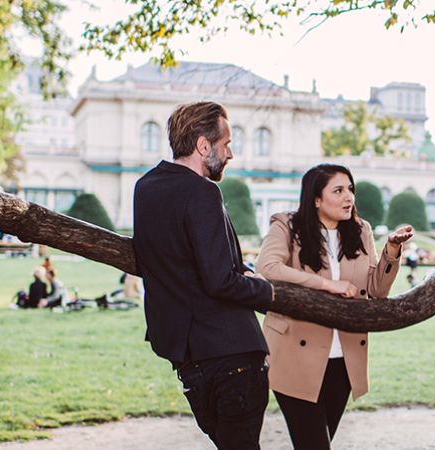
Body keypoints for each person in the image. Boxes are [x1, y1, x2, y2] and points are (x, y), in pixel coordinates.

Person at [133, 101, 275, 450]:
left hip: (188, 360)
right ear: (202, 145)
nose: (230, 154)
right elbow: (220, 280)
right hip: (232, 356)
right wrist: (266, 292)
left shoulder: (144, 188)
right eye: (226, 143)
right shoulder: (204, 192)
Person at [256, 164, 412, 449]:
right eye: (338, 190)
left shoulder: (360, 230)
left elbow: (376, 289)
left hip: (344, 358)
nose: (348, 197)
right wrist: (326, 285)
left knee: (317, 442)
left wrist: (391, 250)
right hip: (295, 355)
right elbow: (267, 268)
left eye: (350, 189)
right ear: (316, 198)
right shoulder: (287, 225)